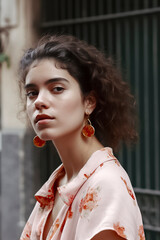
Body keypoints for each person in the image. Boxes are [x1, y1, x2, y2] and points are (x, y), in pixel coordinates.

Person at [19, 34, 145, 240]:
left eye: (57, 88)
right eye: (32, 93)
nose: (39, 101)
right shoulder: (57, 183)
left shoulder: (105, 186)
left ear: (89, 102)